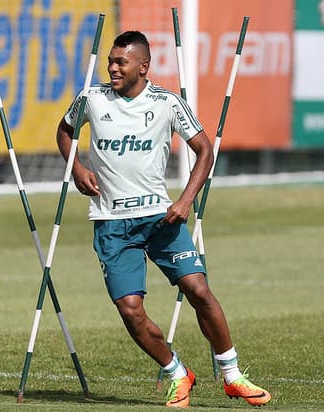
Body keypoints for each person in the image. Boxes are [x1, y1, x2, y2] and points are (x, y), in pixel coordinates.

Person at [56, 31, 271, 408]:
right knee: (130, 310)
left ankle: (233, 376)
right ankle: (177, 373)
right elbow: (65, 130)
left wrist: (186, 200)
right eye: (110, 61)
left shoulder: (168, 102)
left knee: (198, 290)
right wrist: (76, 167)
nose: (112, 67)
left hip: (161, 219)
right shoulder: (91, 98)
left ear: (143, 66)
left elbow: (205, 150)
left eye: (121, 62)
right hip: (111, 222)